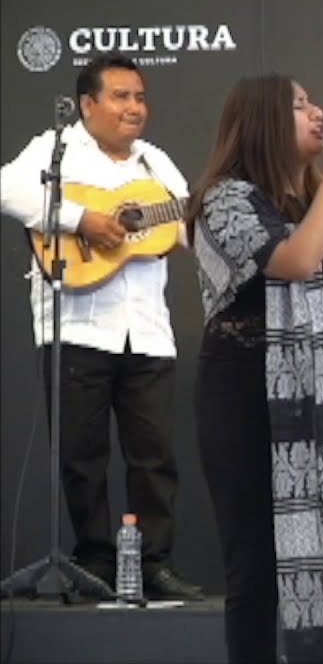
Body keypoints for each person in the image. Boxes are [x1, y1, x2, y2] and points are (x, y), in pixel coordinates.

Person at [185, 74, 323, 664]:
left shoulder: (319, 196)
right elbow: (296, 261)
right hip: (246, 396)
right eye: (300, 106)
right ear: (266, 123)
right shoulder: (225, 200)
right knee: (255, 568)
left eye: (314, 101)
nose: (319, 112)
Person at [0, 53, 202, 601]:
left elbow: (188, 227)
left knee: (155, 454)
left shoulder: (156, 165)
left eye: (139, 97)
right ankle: (94, 560)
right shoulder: (55, 149)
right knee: (81, 454)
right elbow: (6, 188)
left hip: (149, 333)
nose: (135, 108)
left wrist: (216, 217)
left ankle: (156, 562)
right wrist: (80, 219)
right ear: (88, 104)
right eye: (121, 96)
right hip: (76, 328)